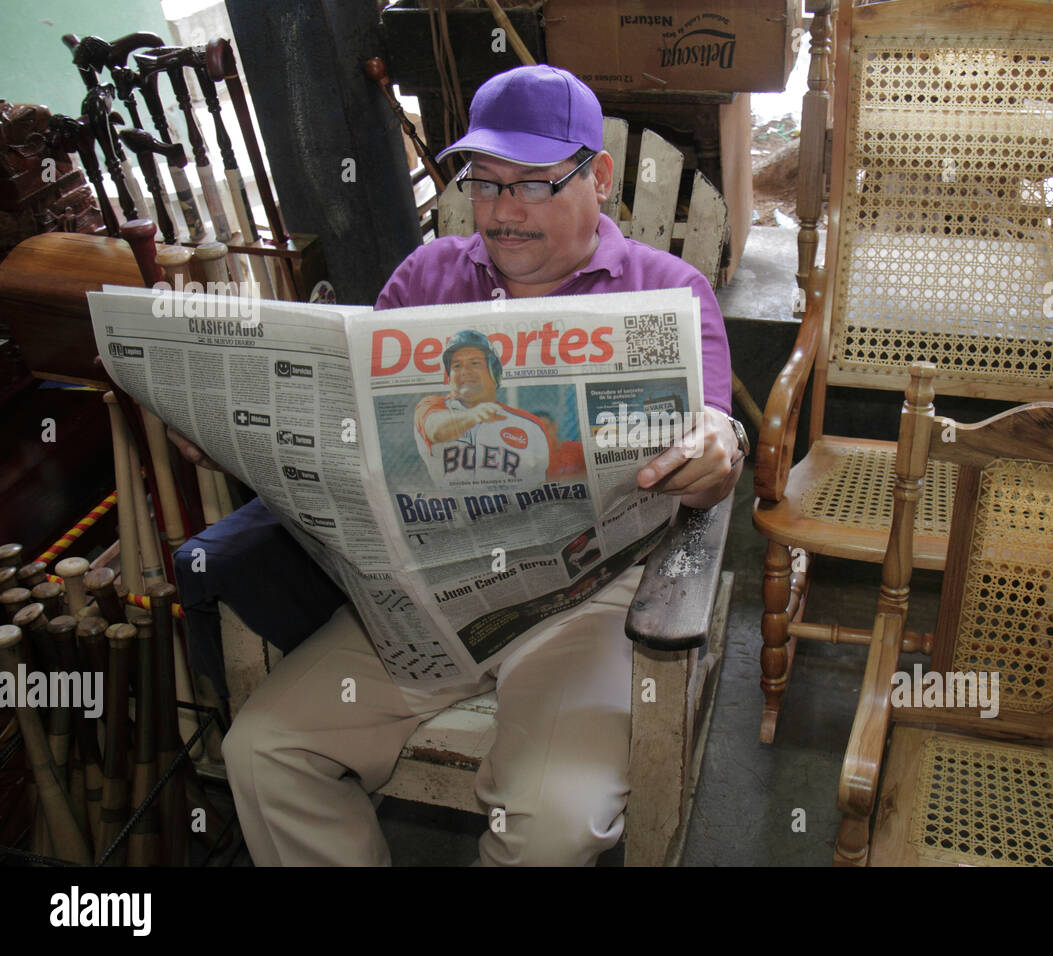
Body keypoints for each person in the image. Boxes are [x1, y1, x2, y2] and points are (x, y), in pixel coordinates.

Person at [171, 64, 744, 865]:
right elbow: (354, 430)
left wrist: (716, 451)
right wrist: (238, 433)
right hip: (423, 602)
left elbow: (713, 443)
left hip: (585, 598)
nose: (503, 212)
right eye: (484, 182)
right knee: (263, 753)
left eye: (534, 185)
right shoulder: (427, 277)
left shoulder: (668, 291)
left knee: (551, 826)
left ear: (600, 177)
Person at [412, 329, 561, 490]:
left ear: (494, 370)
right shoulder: (431, 405)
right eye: (457, 365)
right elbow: (435, 429)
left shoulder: (530, 426)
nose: (465, 371)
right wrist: (472, 415)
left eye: (474, 363)